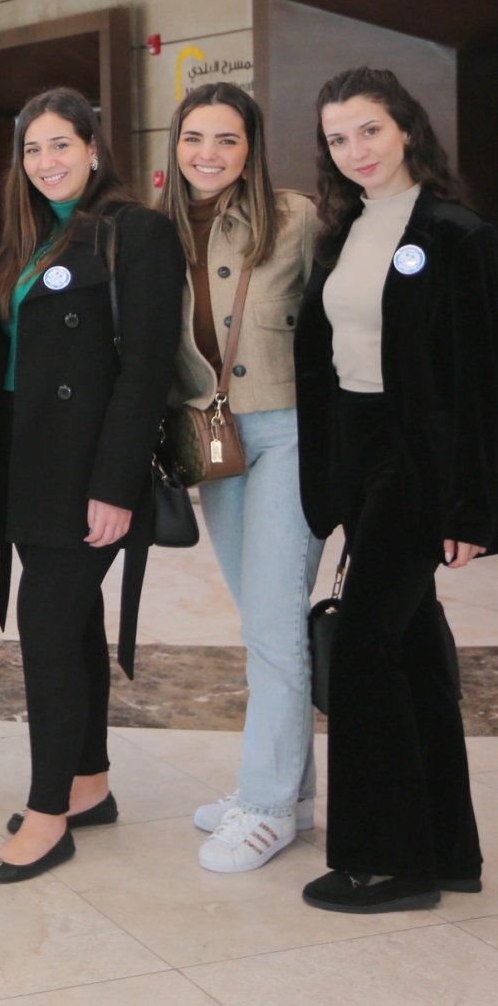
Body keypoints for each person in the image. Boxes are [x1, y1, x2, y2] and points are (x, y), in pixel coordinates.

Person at [295, 67, 493, 913]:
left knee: (364, 646)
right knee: (409, 651)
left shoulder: (456, 233)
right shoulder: (342, 233)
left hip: (419, 460)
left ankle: (387, 861)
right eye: (338, 138)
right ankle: (448, 850)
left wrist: (473, 506)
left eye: (369, 130)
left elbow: (482, 380)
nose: (357, 150)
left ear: (407, 128)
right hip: (360, 451)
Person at [0, 87, 183, 883]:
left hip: (88, 468)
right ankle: (88, 780)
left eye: (61, 144)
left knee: (47, 623)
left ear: (95, 148)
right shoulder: (29, 236)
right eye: (33, 149)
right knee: (73, 621)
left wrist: (116, 483)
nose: (46, 162)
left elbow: (146, 369)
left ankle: (47, 814)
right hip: (30, 461)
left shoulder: (138, 231)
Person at [158, 83, 324, 873]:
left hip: (288, 431)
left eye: (227, 139)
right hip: (211, 438)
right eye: (195, 137)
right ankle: (292, 790)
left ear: (251, 146)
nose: (209, 154)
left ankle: (264, 805)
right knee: (261, 619)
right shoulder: (153, 230)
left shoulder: (294, 218)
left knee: (275, 622)